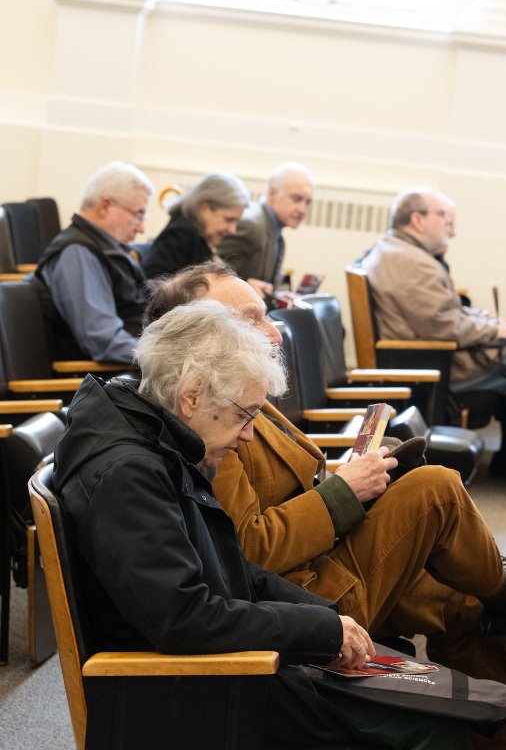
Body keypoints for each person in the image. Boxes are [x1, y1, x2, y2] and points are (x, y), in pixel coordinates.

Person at [144, 262, 506, 749]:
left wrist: (353, 476)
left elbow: (288, 491)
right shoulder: (211, 417)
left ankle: (502, 722)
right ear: (199, 337)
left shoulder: (237, 386)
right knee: (436, 488)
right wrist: (343, 493)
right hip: (307, 598)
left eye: (265, 316)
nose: (273, 333)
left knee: (452, 598)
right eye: (250, 319)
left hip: (320, 560)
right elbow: (246, 550)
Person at [50, 300, 471, 747]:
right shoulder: (128, 474)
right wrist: (318, 632)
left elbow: (227, 563)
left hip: (225, 670)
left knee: (434, 691)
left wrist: (326, 620)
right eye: (243, 415)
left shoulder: (152, 436)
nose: (249, 434)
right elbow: (185, 619)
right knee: (436, 723)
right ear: (191, 395)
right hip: (198, 696)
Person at [361, 188, 506, 497]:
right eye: (445, 218)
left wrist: (486, 322)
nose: (452, 229)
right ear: (418, 220)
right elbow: (443, 325)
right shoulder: (410, 261)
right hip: (436, 367)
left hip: (435, 358)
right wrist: (493, 330)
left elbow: (445, 313)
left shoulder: (401, 251)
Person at [33, 161, 153, 363]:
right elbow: (103, 340)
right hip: (102, 382)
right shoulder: (78, 254)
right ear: (105, 206)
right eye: (137, 214)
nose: (141, 228)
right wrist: (164, 359)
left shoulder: (103, 247)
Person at [217, 162, 315, 296]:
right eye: (296, 199)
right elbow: (212, 275)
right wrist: (246, 286)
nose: (302, 209)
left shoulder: (274, 229)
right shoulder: (251, 226)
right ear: (272, 193)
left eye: (307, 202)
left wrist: (278, 295)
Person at [142, 171, 249, 280]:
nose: (233, 230)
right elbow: (154, 281)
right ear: (204, 208)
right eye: (228, 220)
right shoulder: (181, 234)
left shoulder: (199, 233)